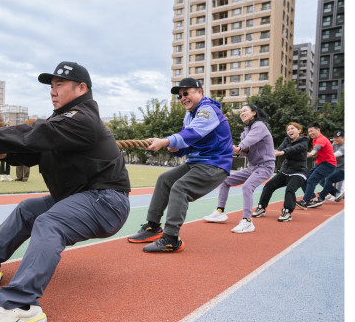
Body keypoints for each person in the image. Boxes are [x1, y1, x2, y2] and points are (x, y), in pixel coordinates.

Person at [0, 62, 131, 322]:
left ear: (81, 88)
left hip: (106, 201)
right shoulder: (62, 121)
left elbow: (36, 134)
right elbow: (33, 151)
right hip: (81, 196)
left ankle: (20, 307)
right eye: (51, 86)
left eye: (59, 85)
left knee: (50, 222)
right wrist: (3, 152)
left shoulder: (82, 119)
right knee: (28, 210)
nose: (53, 91)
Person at [128, 77, 233, 251]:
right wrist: (176, 148)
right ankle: (152, 227)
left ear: (199, 92)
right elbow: (188, 144)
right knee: (164, 180)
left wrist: (166, 141)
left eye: (186, 93)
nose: (183, 98)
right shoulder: (189, 115)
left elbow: (192, 133)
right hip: (196, 162)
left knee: (180, 188)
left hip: (214, 163)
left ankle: (171, 239)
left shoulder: (208, 110)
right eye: (180, 96)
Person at [203, 103, 275, 233]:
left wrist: (240, 147)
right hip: (252, 167)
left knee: (247, 186)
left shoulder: (260, 126)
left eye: (245, 110)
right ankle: (220, 212)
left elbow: (250, 140)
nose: (242, 113)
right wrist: (236, 150)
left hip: (265, 166)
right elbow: (244, 151)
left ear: (253, 113)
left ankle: (247, 221)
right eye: (241, 111)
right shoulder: (244, 132)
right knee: (225, 180)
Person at [253, 122, 310, 221]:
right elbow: (279, 149)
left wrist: (282, 152)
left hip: (298, 173)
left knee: (290, 189)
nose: (289, 131)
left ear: (299, 130)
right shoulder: (287, 139)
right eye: (288, 130)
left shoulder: (304, 141)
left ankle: (287, 211)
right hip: (285, 171)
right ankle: (261, 207)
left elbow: (294, 149)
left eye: (292, 128)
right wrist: (271, 152)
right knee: (269, 185)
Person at [298, 123, 337, 208]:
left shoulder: (321, 139)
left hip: (328, 164)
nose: (310, 133)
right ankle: (313, 199)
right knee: (304, 180)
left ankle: (305, 202)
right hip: (320, 164)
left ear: (318, 130)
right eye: (309, 132)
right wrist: (307, 154)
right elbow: (316, 154)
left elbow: (316, 149)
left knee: (312, 180)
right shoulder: (314, 140)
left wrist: (311, 153)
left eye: (312, 131)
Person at [311, 130, 345, 205]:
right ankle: (336, 193)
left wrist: (320, 155)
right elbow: (326, 152)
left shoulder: (344, 147)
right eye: (334, 137)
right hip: (335, 168)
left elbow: (333, 155)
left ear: (343, 138)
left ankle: (321, 197)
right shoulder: (333, 145)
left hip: (343, 170)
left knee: (329, 178)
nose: (335, 139)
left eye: (338, 138)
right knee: (321, 179)